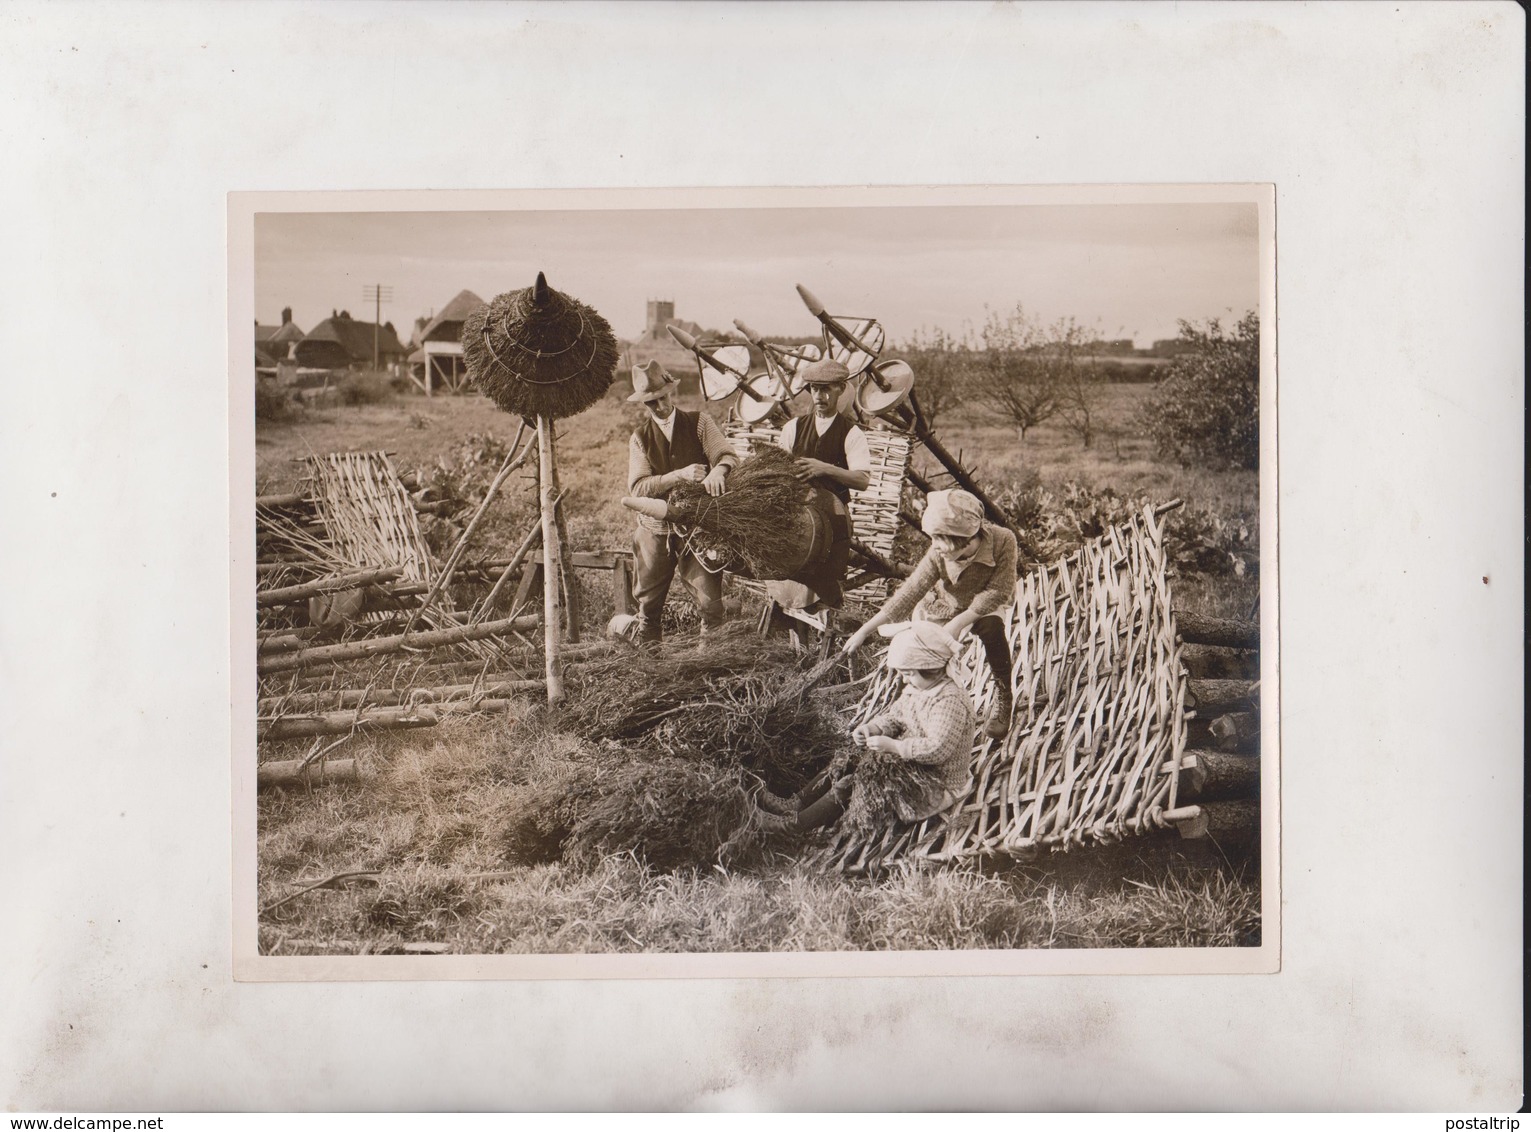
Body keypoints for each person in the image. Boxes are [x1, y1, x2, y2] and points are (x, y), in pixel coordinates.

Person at [755, 622, 975, 834]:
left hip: (936, 785)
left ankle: (794, 825)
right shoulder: (919, 689)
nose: (905, 681)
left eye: (909, 674)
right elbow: (896, 717)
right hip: (914, 765)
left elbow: (937, 749)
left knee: (856, 781)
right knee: (847, 760)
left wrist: (894, 746)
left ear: (932, 669)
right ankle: (795, 803)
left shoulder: (949, 700)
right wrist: (874, 728)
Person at [842, 489, 1019, 737]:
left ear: (962, 539)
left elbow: (998, 591)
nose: (934, 546)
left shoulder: (1003, 541)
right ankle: (913, 711)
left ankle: (1003, 694)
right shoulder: (938, 553)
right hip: (943, 606)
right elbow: (910, 592)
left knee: (992, 629)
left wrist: (958, 624)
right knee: (924, 657)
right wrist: (863, 631)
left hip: (981, 606)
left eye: (940, 540)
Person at [625, 360, 737, 646]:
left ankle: (709, 662)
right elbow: (638, 488)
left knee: (711, 605)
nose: (660, 407)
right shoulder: (639, 438)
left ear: (671, 392)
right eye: (651, 403)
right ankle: (651, 663)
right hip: (655, 529)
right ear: (644, 404)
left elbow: (727, 455)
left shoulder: (699, 422)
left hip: (697, 528)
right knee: (649, 606)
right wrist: (677, 476)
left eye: (663, 398)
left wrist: (717, 470)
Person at [763, 357, 873, 613]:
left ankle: (828, 631)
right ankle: (793, 633)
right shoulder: (793, 428)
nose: (820, 396)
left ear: (841, 389)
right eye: (814, 389)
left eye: (826, 389)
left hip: (834, 518)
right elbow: (778, 472)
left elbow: (862, 480)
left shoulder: (851, 433)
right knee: (790, 578)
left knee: (827, 588)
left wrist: (825, 468)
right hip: (797, 515)